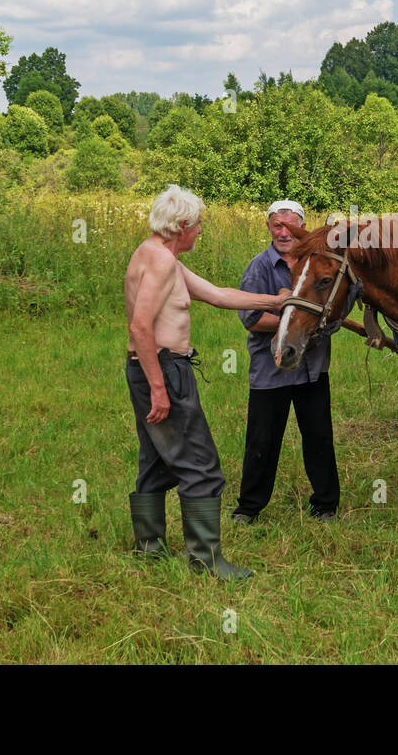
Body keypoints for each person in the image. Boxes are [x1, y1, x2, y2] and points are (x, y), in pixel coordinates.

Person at [124, 185, 289, 580]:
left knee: (155, 460)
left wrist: (276, 301)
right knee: (201, 464)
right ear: (182, 225)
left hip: (148, 369)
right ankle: (206, 560)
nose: (200, 232)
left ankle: (149, 548)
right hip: (162, 371)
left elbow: (217, 295)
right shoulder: (162, 263)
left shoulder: (156, 255)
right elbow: (140, 326)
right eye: (198, 225)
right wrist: (161, 387)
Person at [232, 200, 344, 523]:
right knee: (261, 440)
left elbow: (331, 309)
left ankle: (325, 505)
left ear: (302, 227)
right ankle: (249, 508)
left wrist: (312, 322)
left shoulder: (317, 265)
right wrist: (291, 321)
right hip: (272, 370)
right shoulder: (260, 267)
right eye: (277, 226)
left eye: (289, 226)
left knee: (319, 438)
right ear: (269, 227)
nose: (283, 233)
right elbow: (251, 319)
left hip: (312, 370)